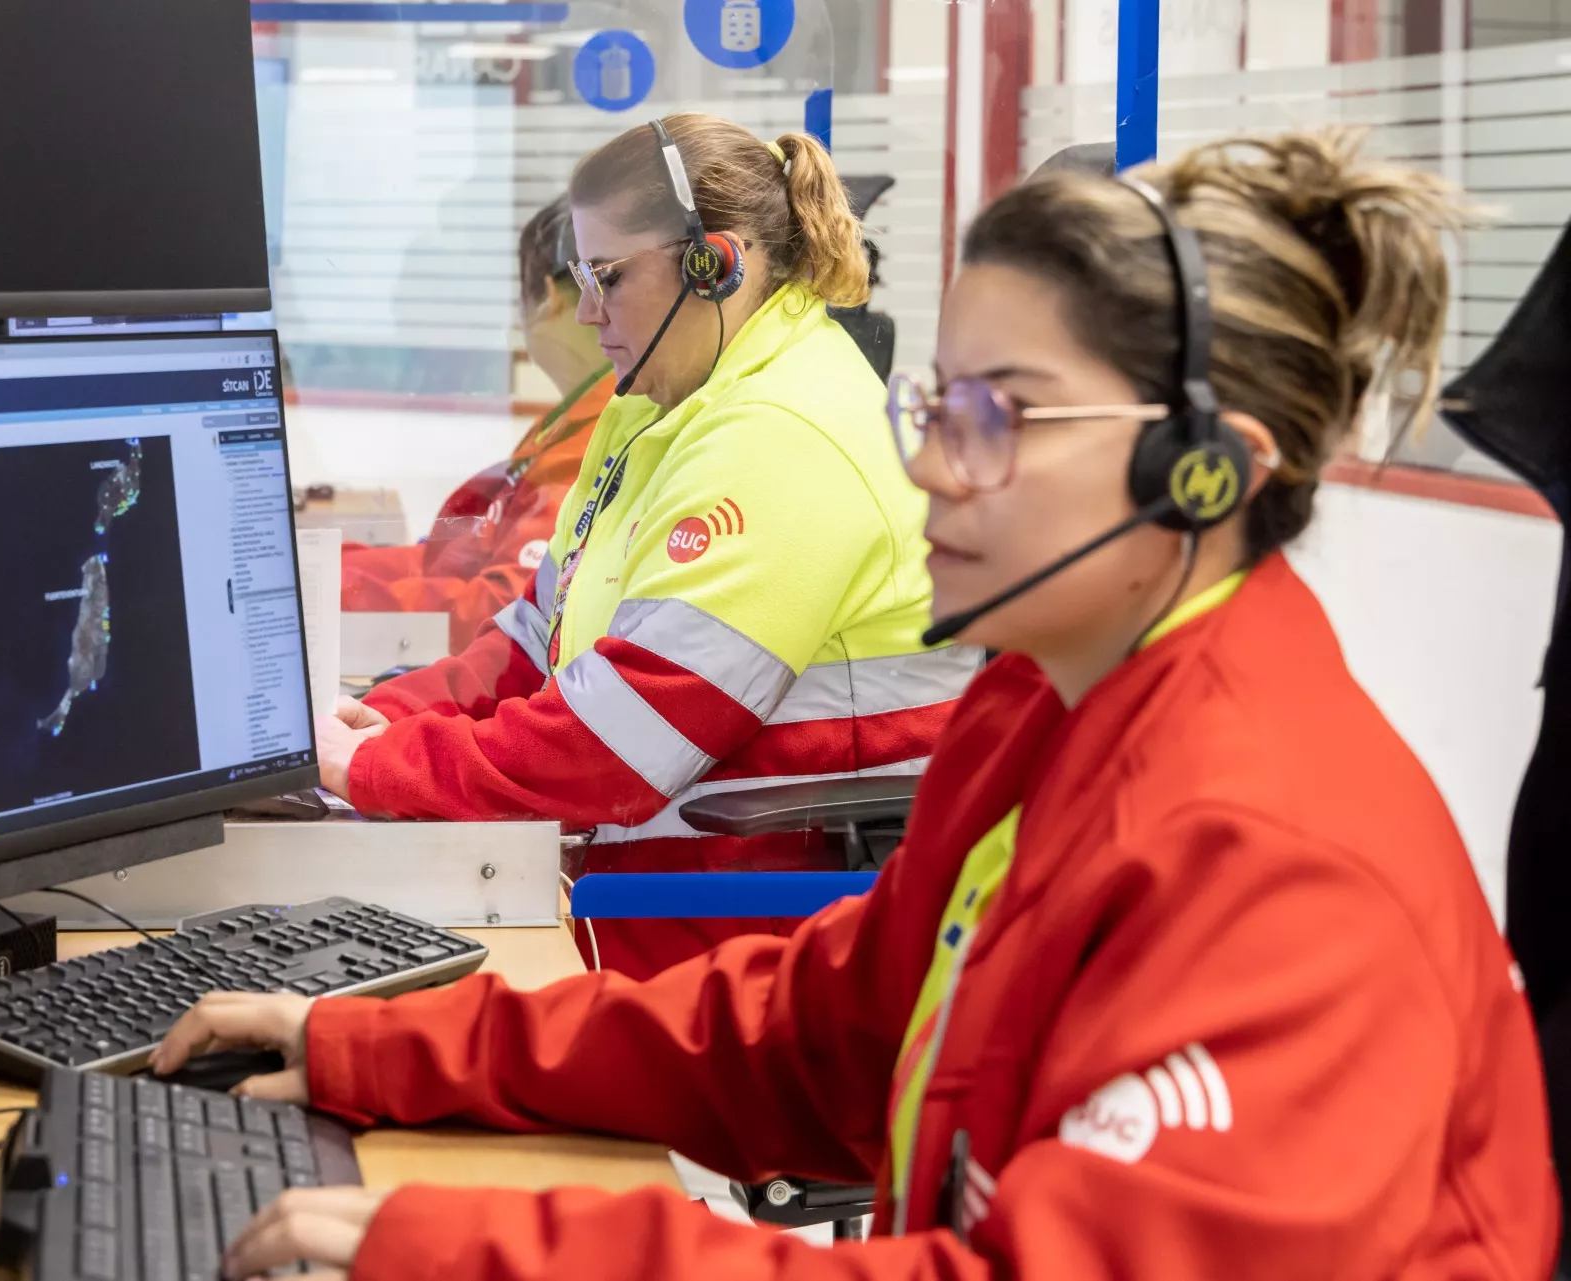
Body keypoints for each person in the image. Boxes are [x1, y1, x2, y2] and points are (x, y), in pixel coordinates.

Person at [156, 129, 1559, 1279]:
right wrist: (374, 1045)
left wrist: (490, 1247)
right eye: (940, 401)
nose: (932, 467)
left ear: (1204, 473)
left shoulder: (1273, 858)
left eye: (999, 416)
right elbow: (827, 1031)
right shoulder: (1045, 707)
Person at [319, 113, 977, 978]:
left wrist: (372, 769)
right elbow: (537, 632)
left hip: (748, 936)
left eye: (609, 277)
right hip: (635, 893)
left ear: (716, 263)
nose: (588, 311)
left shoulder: (784, 435)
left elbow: (615, 746)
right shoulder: (655, 406)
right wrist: (391, 717)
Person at [340, 198, 613, 655]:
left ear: (546, 295)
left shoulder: (596, 438)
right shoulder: (569, 421)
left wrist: (339, 592)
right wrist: (330, 567)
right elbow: (444, 560)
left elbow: (502, 608)